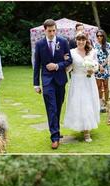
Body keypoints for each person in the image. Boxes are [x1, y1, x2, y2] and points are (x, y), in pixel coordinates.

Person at [33, 19, 72, 149]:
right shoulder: (39, 44)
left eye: (54, 30)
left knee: (58, 106)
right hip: (47, 80)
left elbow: (68, 60)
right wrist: (36, 84)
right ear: (45, 30)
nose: (52, 33)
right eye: (49, 31)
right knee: (51, 108)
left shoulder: (63, 42)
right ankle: (54, 137)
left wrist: (56, 66)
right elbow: (37, 65)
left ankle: (56, 129)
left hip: (60, 79)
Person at [63, 32, 100, 142]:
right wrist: (65, 62)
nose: (81, 42)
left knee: (89, 103)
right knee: (80, 104)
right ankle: (84, 130)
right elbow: (68, 69)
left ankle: (87, 129)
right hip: (77, 81)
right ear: (76, 40)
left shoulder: (92, 52)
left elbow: (96, 65)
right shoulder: (72, 52)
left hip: (89, 81)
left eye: (83, 40)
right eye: (79, 40)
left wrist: (92, 70)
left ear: (86, 40)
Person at [94, 29, 110, 112]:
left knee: (106, 86)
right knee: (98, 86)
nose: (99, 37)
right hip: (97, 68)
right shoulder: (94, 45)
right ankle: (100, 102)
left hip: (106, 67)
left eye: (101, 35)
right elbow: (93, 57)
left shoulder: (108, 45)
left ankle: (107, 102)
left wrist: (103, 65)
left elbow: (109, 56)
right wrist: (99, 66)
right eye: (98, 36)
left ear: (103, 36)